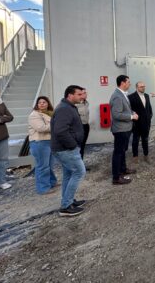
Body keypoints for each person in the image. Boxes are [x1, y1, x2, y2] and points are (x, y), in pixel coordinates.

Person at [51, 85, 86, 217]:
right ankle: (66, 207)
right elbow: (60, 131)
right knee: (79, 172)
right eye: (79, 94)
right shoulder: (64, 109)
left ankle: (68, 201)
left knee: (69, 174)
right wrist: (72, 145)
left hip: (66, 149)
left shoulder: (68, 107)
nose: (82, 96)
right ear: (70, 95)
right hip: (66, 149)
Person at [110, 75, 138, 185]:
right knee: (118, 152)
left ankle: (123, 169)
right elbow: (116, 114)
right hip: (120, 130)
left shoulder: (121, 94)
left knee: (122, 151)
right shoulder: (117, 96)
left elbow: (124, 109)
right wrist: (131, 117)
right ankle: (116, 177)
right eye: (128, 82)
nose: (130, 84)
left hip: (125, 128)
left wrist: (132, 112)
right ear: (123, 83)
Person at [28, 96, 57, 194]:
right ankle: (43, 189)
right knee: (42, 166)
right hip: (40, 143)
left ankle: (51, 182)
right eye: (39, 102)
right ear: (37, 104)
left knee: (50, 165)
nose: (42, 104)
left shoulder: (50, 114)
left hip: (50, 141)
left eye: (44, 102)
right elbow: (41, 128)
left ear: (48, 103)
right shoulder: (34, 115)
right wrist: (57, 123)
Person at [128, 82, 153, 163]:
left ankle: (146, 155)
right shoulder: (131, 97)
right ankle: (135, 156)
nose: (143, 88)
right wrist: (133, 117)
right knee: (135, 140)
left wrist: (149, 117)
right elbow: (129, 109)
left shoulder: (146, 96)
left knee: (145, 140)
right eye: (141, 87)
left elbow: (149, 108)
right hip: (136, 124)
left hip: (146, 123)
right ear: (137, 87)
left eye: (144, 86)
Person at [75, 88, 90, 169]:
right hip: (78, 127)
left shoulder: (86, 103)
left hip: (86, 126)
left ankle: (81, 165)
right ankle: (77, 167)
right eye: (82, 93)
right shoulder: (75, 105)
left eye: (85, 92)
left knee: (83, 146)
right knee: (78, 147)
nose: (85, 94)